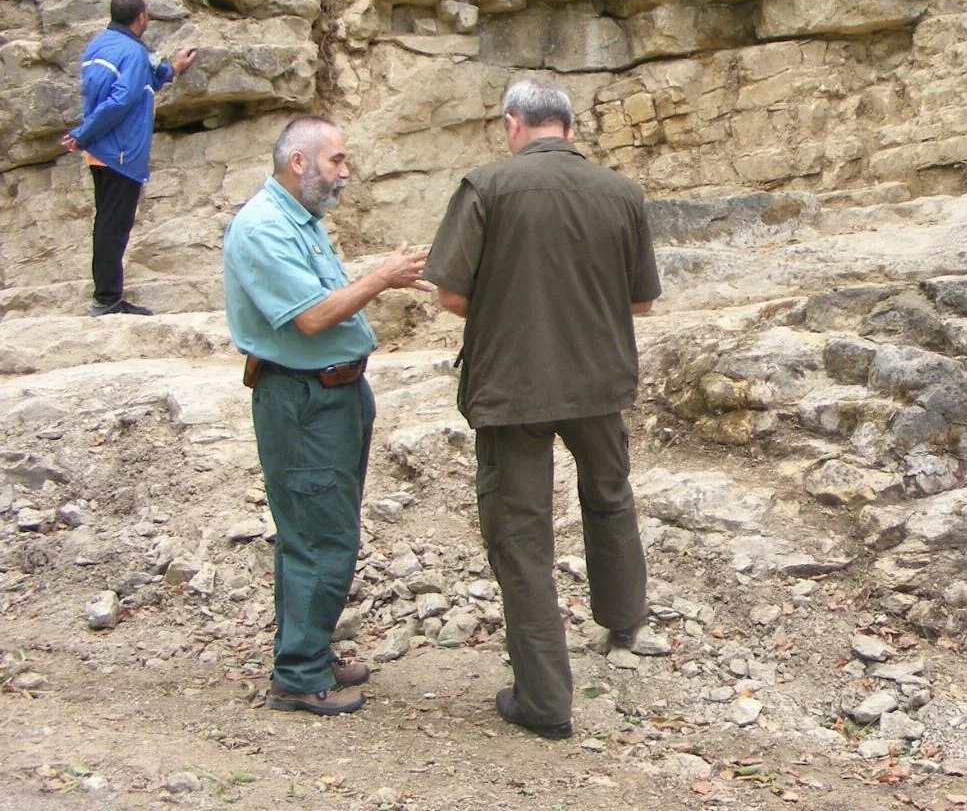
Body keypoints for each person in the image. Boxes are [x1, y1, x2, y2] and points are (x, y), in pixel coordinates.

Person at [425, 76, 661, 740]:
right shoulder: (622, 193)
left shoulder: (487, 187)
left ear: (512, 125)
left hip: (512, 389)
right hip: (598, 383)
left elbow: (450, 296)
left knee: (522, 537)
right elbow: (641, 302)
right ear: (570, 128)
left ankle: (545, 700)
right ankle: (623, 619)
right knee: (609, 496)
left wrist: (512, 302)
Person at [221, 117, 429, 716]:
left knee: (316, 530)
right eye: (337, 160)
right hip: (303, 401)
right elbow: (312, 318)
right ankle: (299, 674)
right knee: (320, 537)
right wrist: (381, 279)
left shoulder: (299, 221)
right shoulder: (262, 227)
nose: (345, 173)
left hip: (331, 395)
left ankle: (304, 650)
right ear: (299, 164)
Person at [60, 0, 198, 316]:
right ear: (141, 18)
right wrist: (82, 134)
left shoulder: (99, 45)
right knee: (113, 227)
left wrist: (173, 68)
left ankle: (107, 296)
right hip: (120, 153)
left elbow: (141, 80)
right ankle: (107, 300)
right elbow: (121, 100)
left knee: (107, 223)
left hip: (101, 151)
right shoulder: (134, 51)